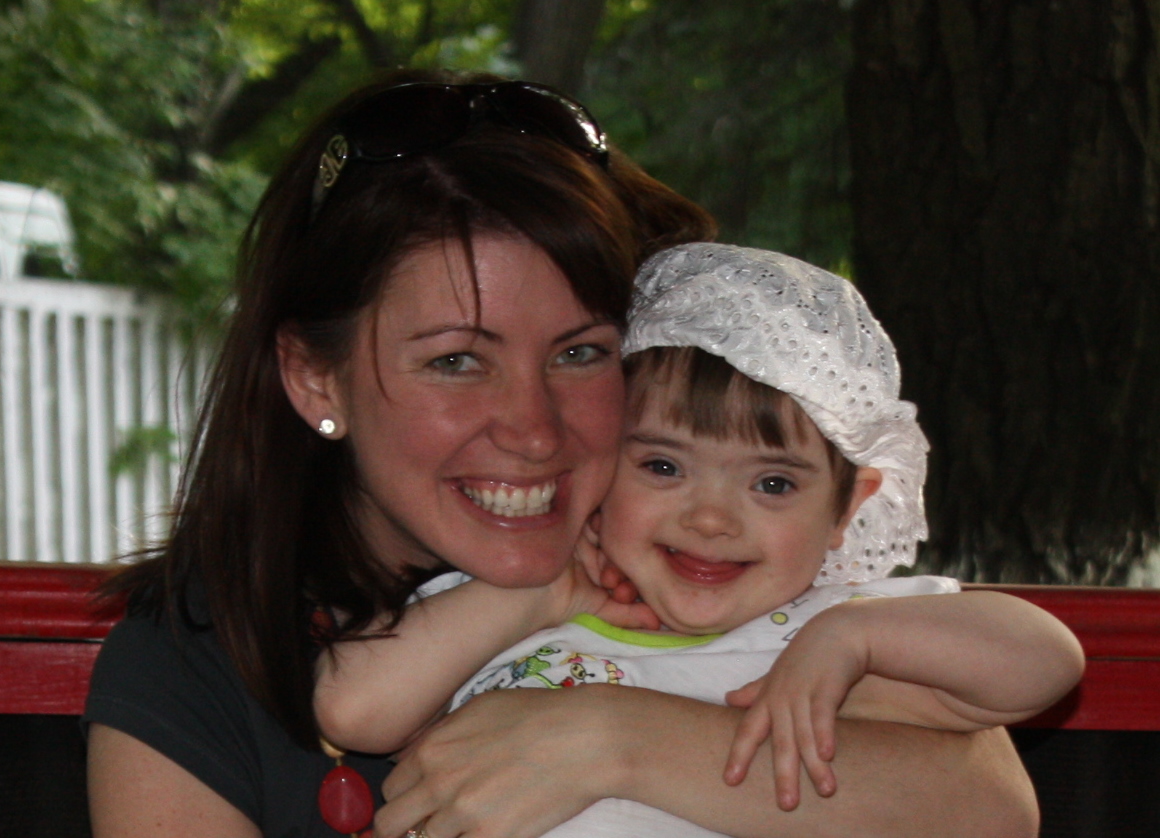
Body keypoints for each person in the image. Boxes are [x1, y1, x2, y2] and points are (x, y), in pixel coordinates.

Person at [84, 68, 1041, 838]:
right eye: (457, 360)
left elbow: (991, 805)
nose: (533, 429)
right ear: (315, 379)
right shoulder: (194, 666)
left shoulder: (723, 582)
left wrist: (611, 741)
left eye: (580, 353)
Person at [314, 243, 1084, 836]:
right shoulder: (520, 599)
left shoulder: (826, 631)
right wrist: (542, 598)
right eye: (662, 466)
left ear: (849, 507)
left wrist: (852, 640)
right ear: (601, 461)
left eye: (772, 484)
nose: (711, 519)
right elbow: (352, 709)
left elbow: (1044, 662)